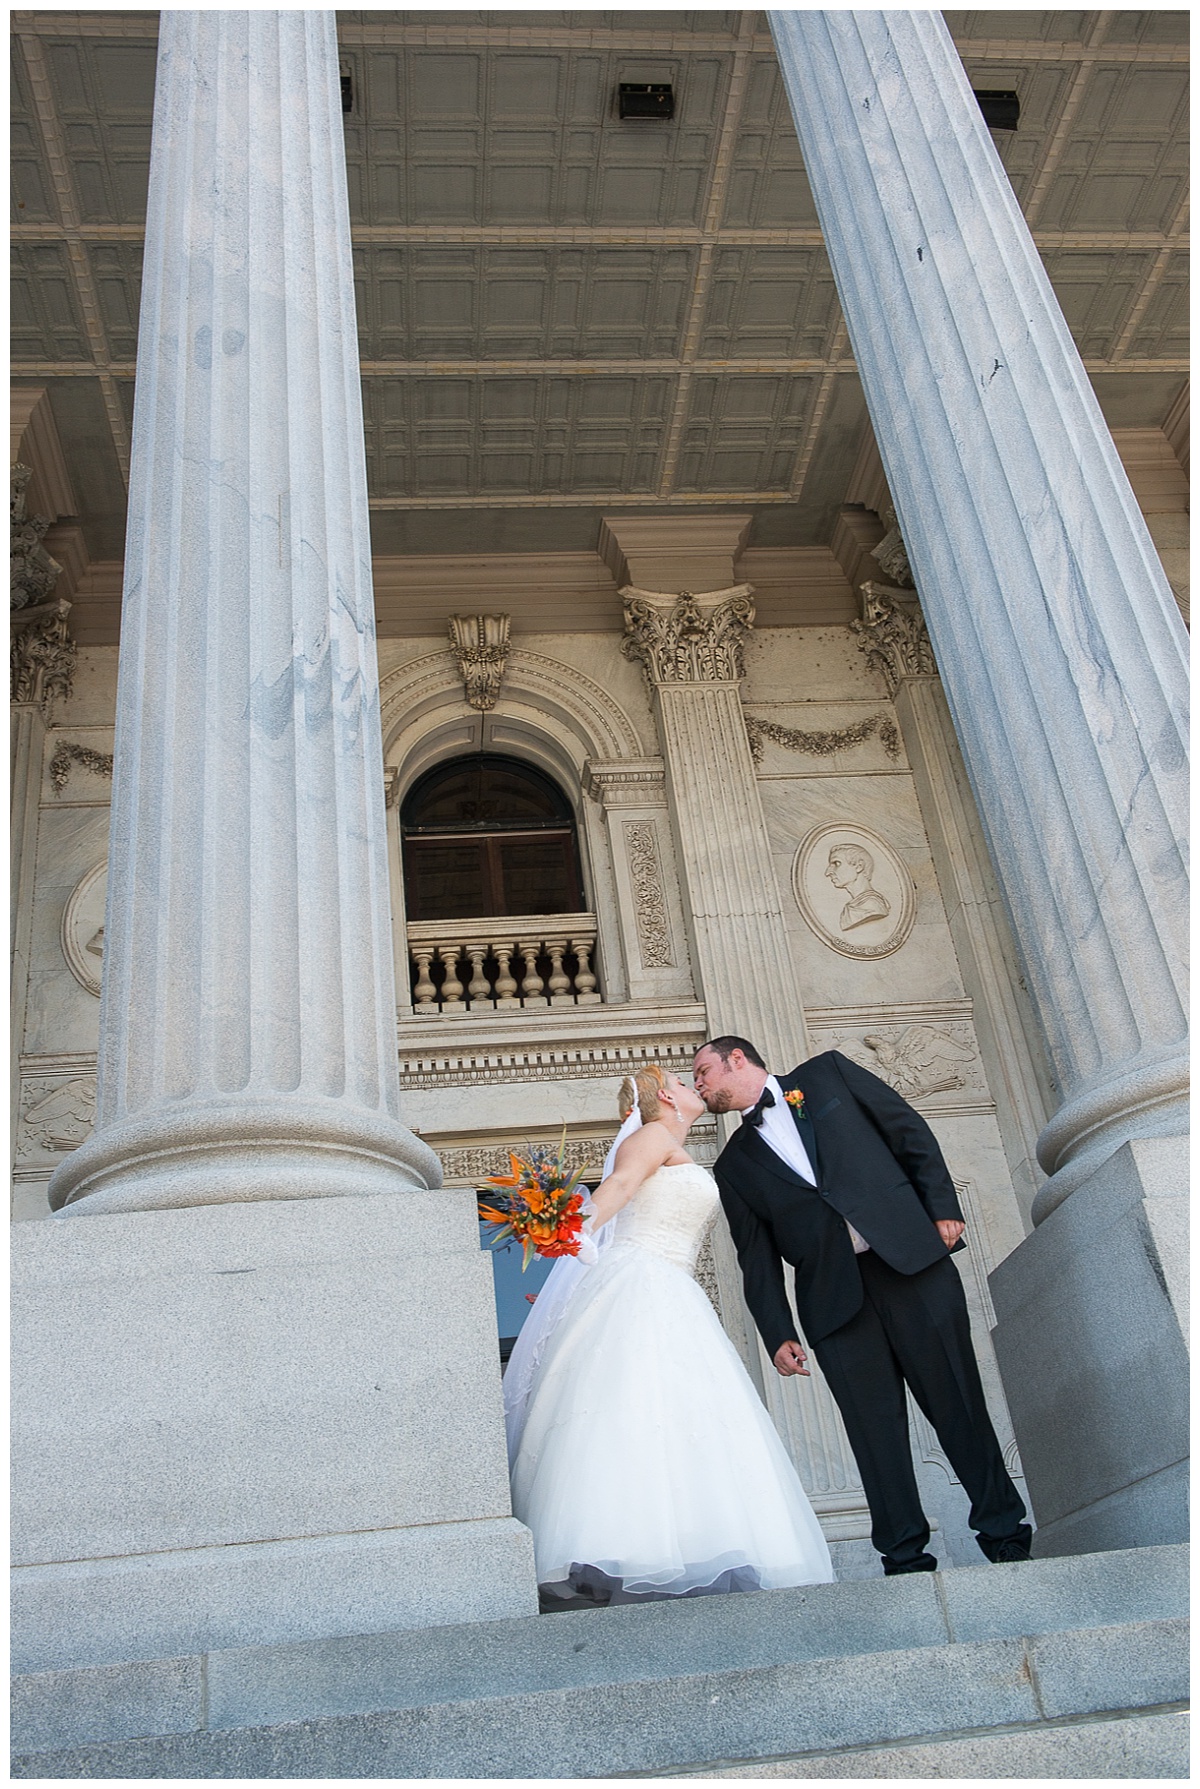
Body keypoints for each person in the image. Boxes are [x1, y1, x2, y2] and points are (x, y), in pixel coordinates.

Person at [692, 1035, 1032, 1577]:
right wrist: (777, 1330)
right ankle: (903, 1555)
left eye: (704, 1071)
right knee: (873, 1433)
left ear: (738, 1059)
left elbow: (907, 1130)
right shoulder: (733, 1163)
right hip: (834, 1303)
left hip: (912, 1266)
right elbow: (754, 1256)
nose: (698, 1085)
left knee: (959, 1404)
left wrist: (941, 1206)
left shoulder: (827, 1076)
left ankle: (1004, 1534)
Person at [507, 1064, 834, 1607]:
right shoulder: (653, 1135)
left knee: (677, 1414)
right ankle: (636, 1546)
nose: (695, 1087)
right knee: (638, 1408)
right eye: (685, 1082)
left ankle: (677, 1540)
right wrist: (573, 1231)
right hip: (644, 1280)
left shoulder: (668, 1142)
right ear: (666, 1096)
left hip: (670, 1283)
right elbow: (619, 1185)